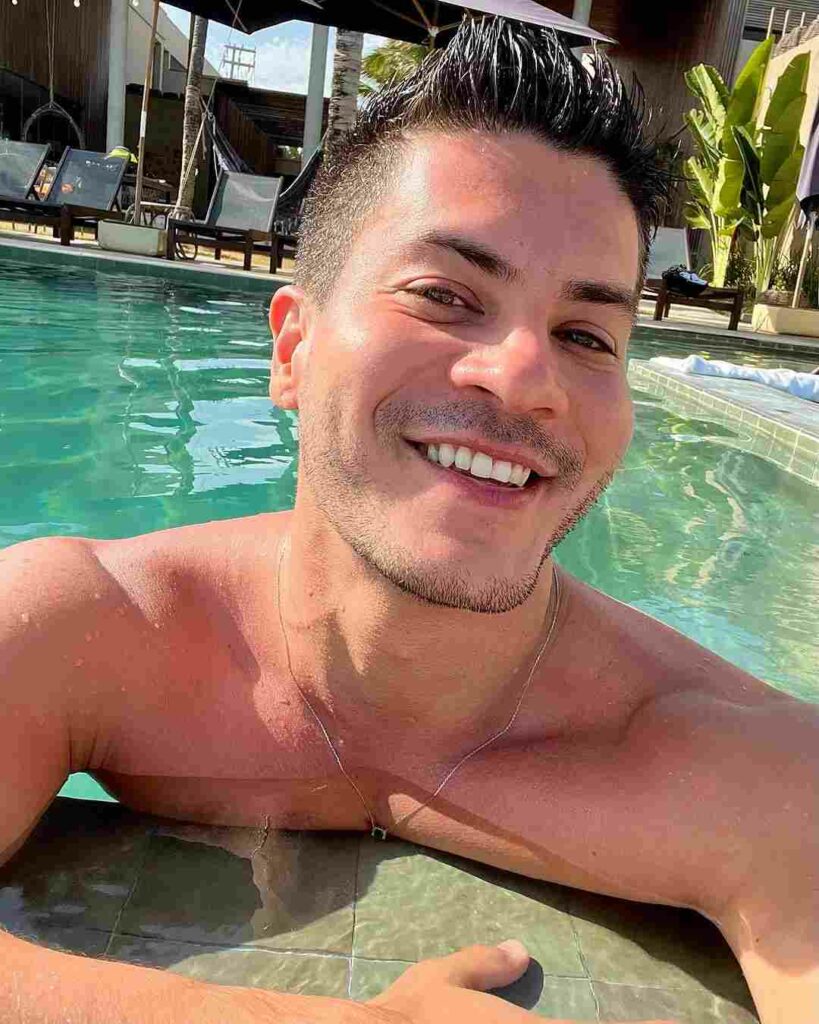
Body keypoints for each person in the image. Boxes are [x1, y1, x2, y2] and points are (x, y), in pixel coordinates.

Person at [1, 17, 816, 1024]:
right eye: (444, 294)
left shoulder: (746, 772)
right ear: (292, 350)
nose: (525, 378)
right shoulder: (88, 623)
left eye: (585, 334)